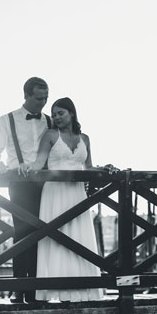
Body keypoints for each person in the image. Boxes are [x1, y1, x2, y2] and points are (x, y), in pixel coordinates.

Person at [29, 97, 112, 302]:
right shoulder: (50, 135)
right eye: (54, 114)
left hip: (76, 194)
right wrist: (24, 168)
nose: (56, 117)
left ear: (72, 113)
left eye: (61, 113)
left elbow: (88, 167)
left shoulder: (85, 138)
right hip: (55, 193)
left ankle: (80, 290)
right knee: (57, 238)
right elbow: (39, 163)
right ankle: (57, 289)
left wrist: (105, 169)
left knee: (78, 237)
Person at [0, 77, 51, 303]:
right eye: (38, 98)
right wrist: (0, 167)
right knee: (22, 233)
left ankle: (37, 289)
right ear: (26, 95)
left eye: (46, 98)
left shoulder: (51, 121)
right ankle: (18, 288)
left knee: (44, 234)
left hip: (47, 185)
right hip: (19, 184)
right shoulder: (7, 120)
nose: (43, 103)